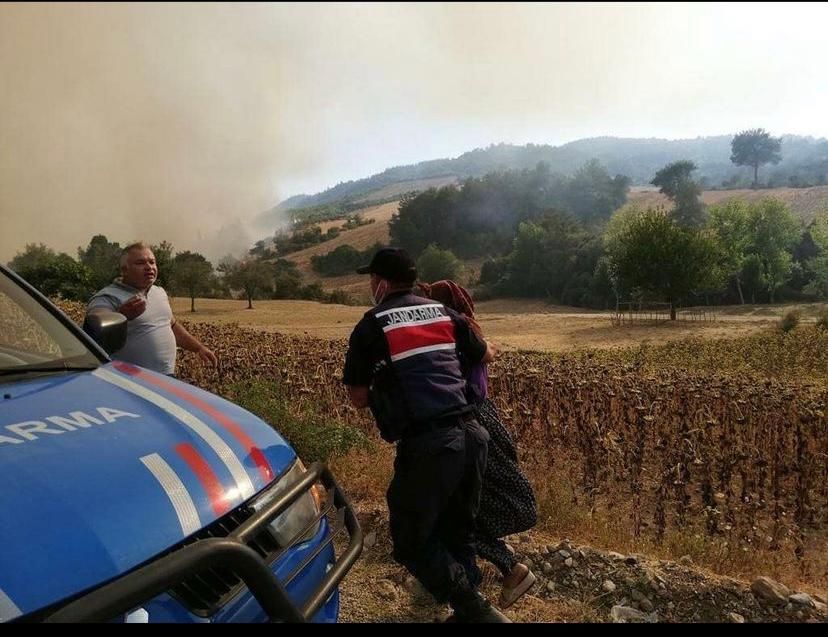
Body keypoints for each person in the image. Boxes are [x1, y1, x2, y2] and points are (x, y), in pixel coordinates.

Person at [343, 247, 510, 623]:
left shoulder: (372, 325)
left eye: (371, 279)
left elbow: (357, 397)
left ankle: (476, 611)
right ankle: (467, 610)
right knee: (458, 530)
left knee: (408, 538)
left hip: (430, 444)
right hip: (472, 436)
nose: (371, 285)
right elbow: (485, 355)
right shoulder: (445, 313)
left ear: (382, 282)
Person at [418, 280, 537, 609]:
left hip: (467, 422)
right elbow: (486, 354)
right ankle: (488, 572)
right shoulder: (468, 328)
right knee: (467, 502)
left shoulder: (448, 333)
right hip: (485, 418)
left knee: (453, 509)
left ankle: (504, 568)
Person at [85, 242, 217, 375]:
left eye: (152, 262)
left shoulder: (159, 292)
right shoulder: (107, 297)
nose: (149, 267)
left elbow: (171, 325)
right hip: (131, 381)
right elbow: (94, 330)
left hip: (167, 377)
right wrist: (122, 315)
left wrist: (199, 348)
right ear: (124, 269)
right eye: (140, 263)